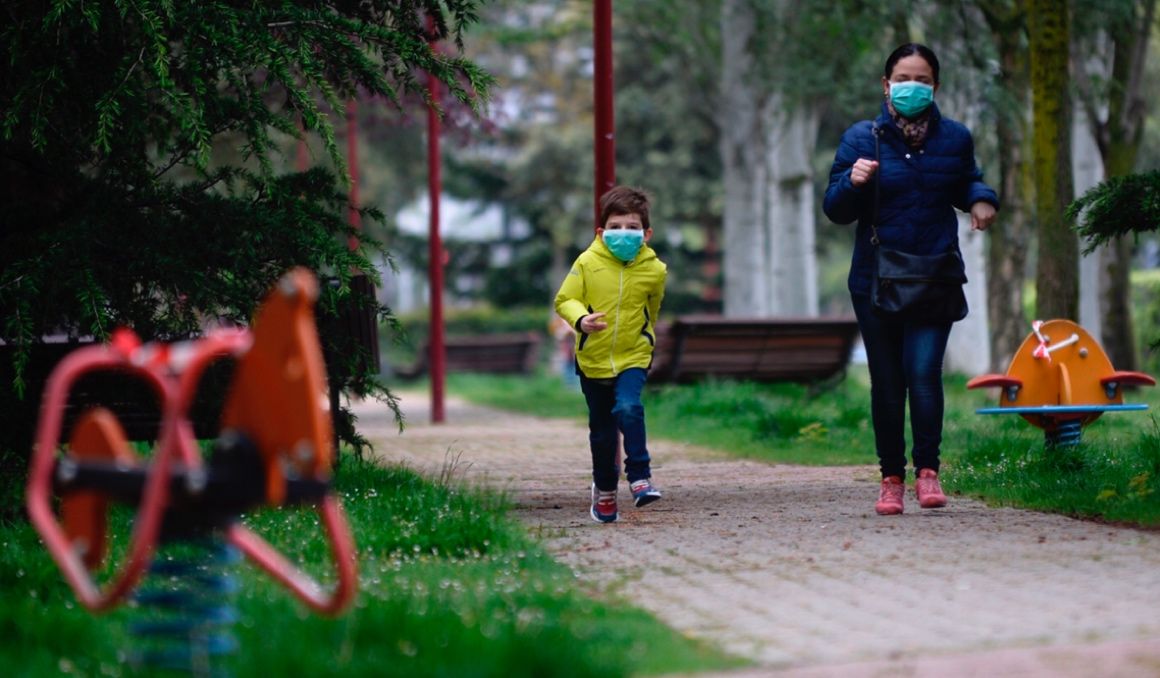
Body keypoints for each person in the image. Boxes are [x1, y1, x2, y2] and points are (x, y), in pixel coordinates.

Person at [823, 43, 999, 515]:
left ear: (935, 86)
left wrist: (983, 200)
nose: (912, 87)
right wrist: (852, 182)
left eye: (922, 79)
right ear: (886, 84)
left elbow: (965, 179)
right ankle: (890, 477)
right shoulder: (862, 139)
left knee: (923, 374)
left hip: (934, 273)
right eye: (904, 78)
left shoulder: (955, 137)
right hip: (876, 278)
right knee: (887, 381)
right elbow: (835, 209)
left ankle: (928, 472)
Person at [554, 185, 667, 523]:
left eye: (632, 227)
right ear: (601, 232)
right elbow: (565, 299)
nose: (623, 233)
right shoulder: (587, 262)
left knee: (630, 407)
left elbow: (653, 308)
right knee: (603, 433)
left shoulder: (655, 270)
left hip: (633, 355)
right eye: (616, 227)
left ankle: (639, 477)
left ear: (646, 234)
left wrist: (645, 338)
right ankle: (604, 490)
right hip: (593, 360)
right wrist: (580, 319)